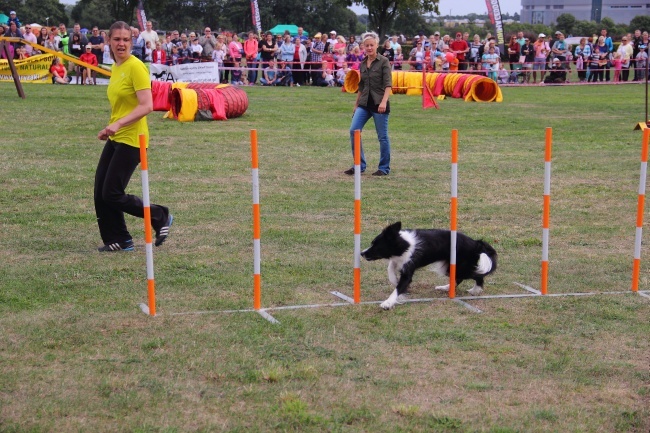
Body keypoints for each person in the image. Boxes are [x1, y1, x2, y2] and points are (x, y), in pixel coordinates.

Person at [95, 21, 172, 253]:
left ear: (132, 41)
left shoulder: (136, 67)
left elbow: (147, 105)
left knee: (112, 193)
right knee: (101, 192)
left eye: (125, 40)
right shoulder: (117, 67)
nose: (121, 44)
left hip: (133, 139)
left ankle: (160, 215)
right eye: (116, 39)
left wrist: (117, 123)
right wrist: (111, 126)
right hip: (117, 136)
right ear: (108, 40)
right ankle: (119, 239)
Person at [344, 31, 392, 177]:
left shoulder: (384, 61)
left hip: (379, 104)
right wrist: (356, 104)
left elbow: (388, 84)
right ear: (363, 47)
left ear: (377, 45)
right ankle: (359, 165)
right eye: (367, 45)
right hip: (364, 104)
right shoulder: (363, 63)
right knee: (354, 130)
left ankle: (384, 168)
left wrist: (383, 102)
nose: (369, 48)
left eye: (372, 45)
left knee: (382, 137)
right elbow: (362, 85)